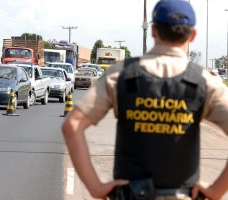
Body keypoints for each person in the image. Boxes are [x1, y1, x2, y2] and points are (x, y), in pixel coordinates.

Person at [61, 0, 228, 199]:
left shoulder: (122, 74)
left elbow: (72, 125)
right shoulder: (205, 82)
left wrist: (96, 188)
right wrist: (216, 191)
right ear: (192, 35)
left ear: (154, 31)